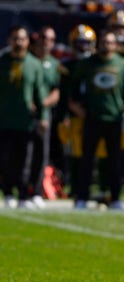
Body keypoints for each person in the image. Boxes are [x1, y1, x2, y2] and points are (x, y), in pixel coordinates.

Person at [68, 30, 124, 210]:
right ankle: (82, 196)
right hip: (92, 117)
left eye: (110, 42)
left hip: (114, 117)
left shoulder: (123, 64)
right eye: (104, 42)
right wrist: (76, 107)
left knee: (115, 161)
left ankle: (115, 197)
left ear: (116, 45)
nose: (107, 45)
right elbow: (73, 87)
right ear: (98, 44)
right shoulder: (87, 63)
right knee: (87, 160)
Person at [0, 25, 47, 209]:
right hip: (4, 119)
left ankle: (22, 194)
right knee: (4, 159)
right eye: (15, 39)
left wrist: (42, 117)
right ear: (9, 41)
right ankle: (8, 192)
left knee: (24, 160)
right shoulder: (2, 62)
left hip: (25, 121)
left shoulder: (34, 64)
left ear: (28, 41)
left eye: (22, 39)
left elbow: (39, 93)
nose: (18, 42)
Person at [27, 25, 61, 209]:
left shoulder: (54, 64)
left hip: (44, 116)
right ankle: (21, 190)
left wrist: (43, 105)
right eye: (44, 38)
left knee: (42, 155)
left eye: (51, 39)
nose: (47, 42)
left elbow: (56, 90)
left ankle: (37, 191)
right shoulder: (27, 60)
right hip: (24, 115)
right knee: (23, 154)